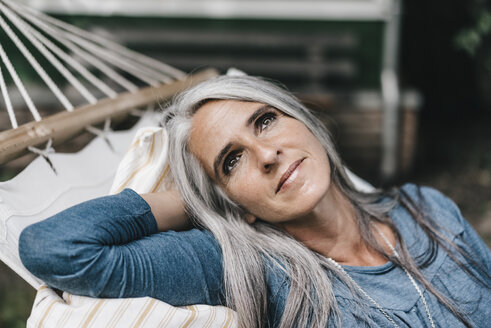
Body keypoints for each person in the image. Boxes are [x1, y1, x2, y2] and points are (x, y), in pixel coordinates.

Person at [19, 75, 490, 328]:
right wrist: (199, 204)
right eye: (231, 161)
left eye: (264, 121)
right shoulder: (242, 268)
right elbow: (56, 247)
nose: (266, 155)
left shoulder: (424, 208)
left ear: (302, 121)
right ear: (229, 202)